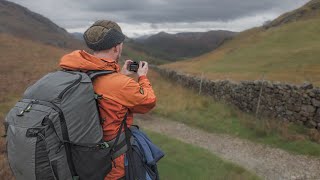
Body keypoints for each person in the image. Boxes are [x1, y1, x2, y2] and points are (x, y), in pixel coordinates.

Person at [59, 20, 157, 180]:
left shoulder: (76, 71)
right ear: (117, 47)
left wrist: (120, 75)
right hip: (114, 166)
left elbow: (103, 88)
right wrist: (142, 76)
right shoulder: (120, 84)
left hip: (82, 159)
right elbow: (148, 102)